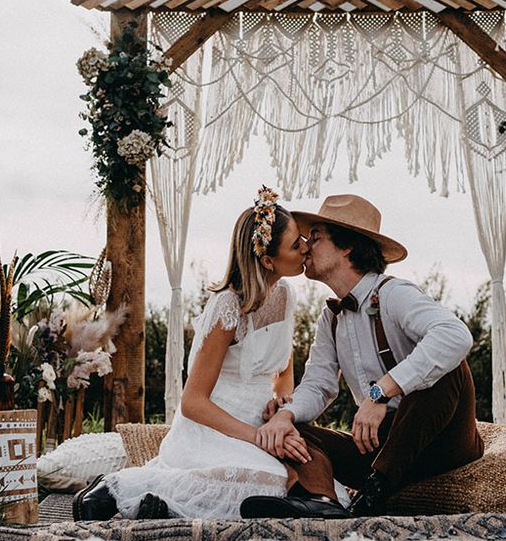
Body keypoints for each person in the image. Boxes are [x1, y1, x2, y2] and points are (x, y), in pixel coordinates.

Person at [73, 186, 351, 522]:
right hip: (213, 427)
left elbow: (282, 374)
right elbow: (192, 402)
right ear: (267, 260)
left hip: (260, 425)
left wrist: (281, 410)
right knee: (271, 483)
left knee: (324, 489)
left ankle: (166, 503)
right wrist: (256, 437)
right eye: (296, 244)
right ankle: (120, 487)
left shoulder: (285, 296)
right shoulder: (228, 307)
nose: (306, 247)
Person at [242, 193, 484, 519]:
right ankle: (320, 500)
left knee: (448, 367)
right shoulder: (330, 318)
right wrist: (287, 415)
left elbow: (456, 335)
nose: (306, 246)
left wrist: (379, 392)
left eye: (316, 238)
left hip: (439, 440)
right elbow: (318, 385)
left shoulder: (393, 293)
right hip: (380, 446)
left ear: (347, 247)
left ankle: (373, 494)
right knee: (289, 426)